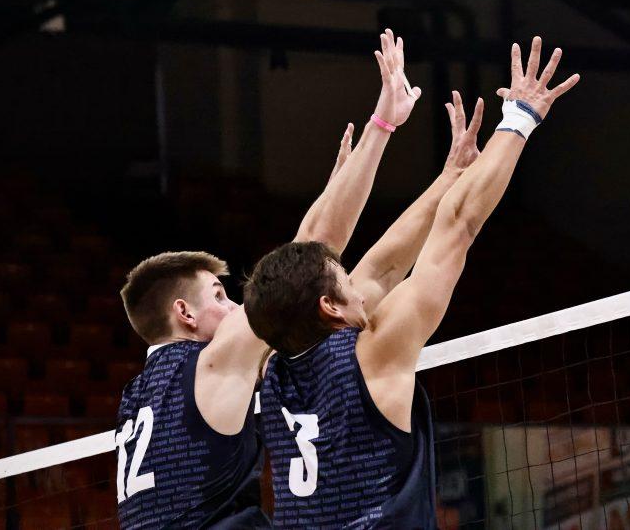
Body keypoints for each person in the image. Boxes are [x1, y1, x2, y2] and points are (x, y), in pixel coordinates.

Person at [245, 37, 580, 528]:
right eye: (345, 282)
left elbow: (382, 268)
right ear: (329, 307)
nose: (359, 288)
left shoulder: (272, 371)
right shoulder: (374, 352)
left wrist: (449, 177)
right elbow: (458, 226)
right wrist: (521, 118)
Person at [115, 30, 421, 529]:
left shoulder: (135, 398)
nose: (236, 308)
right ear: (184, 313)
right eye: (218, 296)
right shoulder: (208, 366)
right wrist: (382, 125)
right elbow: (308, 258)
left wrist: (334, 189)